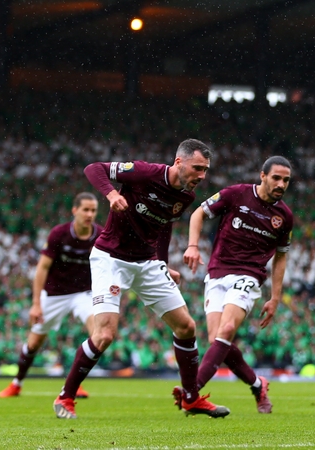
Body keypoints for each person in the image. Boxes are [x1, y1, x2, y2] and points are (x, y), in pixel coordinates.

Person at [52, 139, 220, 419]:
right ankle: (65, 397)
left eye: (205, 170)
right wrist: (111, 194)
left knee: (186, 327)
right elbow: (94, 168)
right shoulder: (144, 172)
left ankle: (191, 399)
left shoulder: (186, 197)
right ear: (179, 162)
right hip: (111, 259)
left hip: (147, 263)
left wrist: (163, 264)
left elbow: (163, 226)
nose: (202, 176)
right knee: (104, 335)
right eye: (197, 168)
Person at [181, 155, 294, 414]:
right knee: (216, 340)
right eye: (276, 178)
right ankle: (257, 385)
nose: (281, 184)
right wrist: (193, 246)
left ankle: (192, 391)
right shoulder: (236, 194)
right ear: (263, 176)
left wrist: (275, 297)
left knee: (228, 328)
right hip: (217, 272)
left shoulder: (284, 216)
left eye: (286, 180)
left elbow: (281, 257)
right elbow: (198, 213)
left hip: (249, 276)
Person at [0, 192, 102, 398]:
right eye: (85, 210)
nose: (90, 214)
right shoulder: (59, 234)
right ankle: (17, 383)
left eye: (93, 210)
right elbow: (42, 268)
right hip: (56, 294)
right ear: (75, 210)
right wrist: (36, 303)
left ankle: (74, 384)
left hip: (84, 293)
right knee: (35, 342)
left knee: (99, 334)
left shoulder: (100, 234)